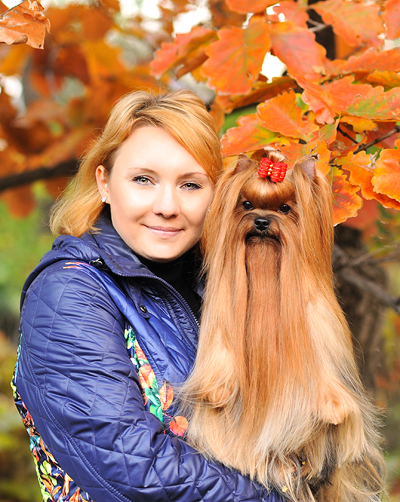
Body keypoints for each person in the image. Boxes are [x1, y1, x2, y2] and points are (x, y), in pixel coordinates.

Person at [12, 89, 284, 502]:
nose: (167, 206)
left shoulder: (223, 282)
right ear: (104, 182)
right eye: (143, 180)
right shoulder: (69, 293)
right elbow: (131, 466)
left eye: (191, 184)